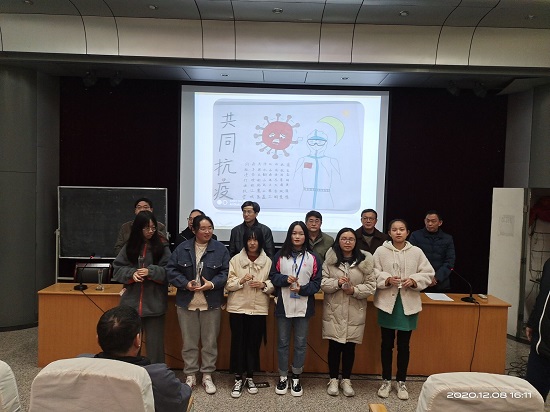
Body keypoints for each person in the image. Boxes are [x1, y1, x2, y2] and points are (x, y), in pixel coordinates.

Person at [166, 215, 229, 395]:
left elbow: (226, 272)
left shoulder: (220, 249)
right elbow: (171, 270)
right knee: (189, 342)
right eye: (203, 228)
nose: (207, 231)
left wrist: (212, 284)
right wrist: (185, 283)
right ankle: (190, 374)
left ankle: (207, 375)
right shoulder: (182, 248)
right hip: (187, 302)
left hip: (211, 302)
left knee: (210, 342)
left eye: (210, 228)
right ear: (194, 230)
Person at [373, 219, 434, 401]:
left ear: (408, 232)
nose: (398, 232)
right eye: (394, 229)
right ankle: (386, 380)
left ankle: (401, 381)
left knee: (404, 345)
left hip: (408, 304)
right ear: (389, 233)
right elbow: (373, 272)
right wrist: (386, 279)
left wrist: (414, 280)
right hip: (387, 304)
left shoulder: (417, 252)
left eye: (401, 229)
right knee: (386, 344)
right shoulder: (381, 251)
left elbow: (428, 273)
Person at [94, 305, 192, 412]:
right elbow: (181, 401)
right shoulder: (159, 376)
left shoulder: (83, 365)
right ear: (137, 340)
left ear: (98, 339)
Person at [321, 227, 376, 397]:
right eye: (344, 239)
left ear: (355, 242)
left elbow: (371, 286)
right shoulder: (330, 260)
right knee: (334, 346)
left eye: (351, 239)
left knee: (350, 347)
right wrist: (337, 283)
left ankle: (346, 379)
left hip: (354, 310)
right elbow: (322, 283)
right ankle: (333, 379)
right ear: (338, 241)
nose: (347, 242)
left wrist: (354, 290)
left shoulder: (364, 261)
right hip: (334, 310)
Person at [270, 221, 322, 397]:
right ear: (289, 235)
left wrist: (303, 289)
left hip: (304, 306)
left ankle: (296, 377)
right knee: (283, 342)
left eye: (300, 233)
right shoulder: (280, 256)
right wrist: (285, 280)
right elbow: (273, 277)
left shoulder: (313, 257)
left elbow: (317, 283)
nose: (297, 236)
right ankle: (283, 376)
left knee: (300, 343)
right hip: (283, 305)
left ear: (305, 236)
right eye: (294, 233)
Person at [112, 210, 171, 364]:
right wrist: (132, 274)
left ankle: (156, 374)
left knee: (155, 346)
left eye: (153, 228)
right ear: (139, 228)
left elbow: (170, 271)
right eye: (146, 228)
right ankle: (130, 373)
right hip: (130, 305)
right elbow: (117, 270)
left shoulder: (162, 246)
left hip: (154, 304)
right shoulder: (129, 246)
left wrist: (151, 272)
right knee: (129, 345)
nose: (150, 231)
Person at [225, 226, 274, 398]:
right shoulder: (235, 260)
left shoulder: (268, 261)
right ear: (245, 241)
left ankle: (251, 377)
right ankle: (238, 377)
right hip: (237, 307)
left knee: (254, 343)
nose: (252, 243)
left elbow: (273, 283)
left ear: (260, 242)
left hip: (258, 308)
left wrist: (264, 285)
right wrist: (240, 280)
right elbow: (228, 284)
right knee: (238, 343)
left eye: (255, 240)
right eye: (249, 239)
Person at [409, 210, 455, 292]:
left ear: (440, 223)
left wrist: (436, 277)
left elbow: (449, 261)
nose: (430, 224)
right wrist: (425, 277)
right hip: (419, 281)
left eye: (433, 221)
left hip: (441, 283)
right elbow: (411, 258)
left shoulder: (447, 238)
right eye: (427, 221)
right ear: (424, 221)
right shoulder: (415, 236)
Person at [525, 257, 550, 401]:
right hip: (540, 345)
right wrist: (532, 322)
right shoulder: (549, 263)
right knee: (532, 399)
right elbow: (542, 296)